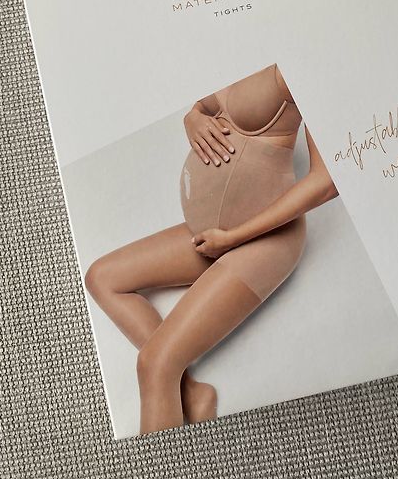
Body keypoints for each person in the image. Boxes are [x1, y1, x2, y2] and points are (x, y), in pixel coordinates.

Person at [84, 63, 338, 434]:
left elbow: (326, 181)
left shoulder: (302, 63)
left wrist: (234, 238)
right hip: (213, 235)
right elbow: (203, 106)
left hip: (265, 241)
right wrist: (192, 117)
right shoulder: (223, 48)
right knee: (102, 277)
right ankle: (192, 392)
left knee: (155, 366)